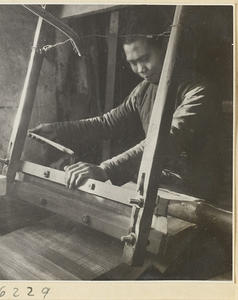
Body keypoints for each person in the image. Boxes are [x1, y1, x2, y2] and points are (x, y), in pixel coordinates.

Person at [29, 21, 223, 203]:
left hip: (195, 193)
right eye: (132, 62)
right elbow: (107, 123)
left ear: (165, 50)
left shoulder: (200, 92)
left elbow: (166, 140)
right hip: (159, 182)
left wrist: (105, 169)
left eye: (145, 59)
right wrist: (58, 130)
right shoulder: (144, 89)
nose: (141, 69)